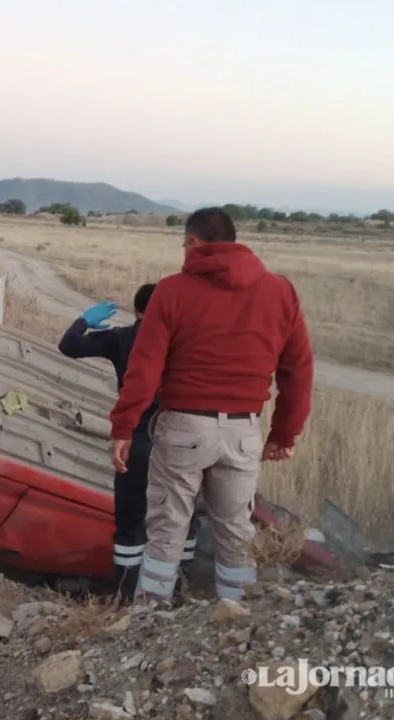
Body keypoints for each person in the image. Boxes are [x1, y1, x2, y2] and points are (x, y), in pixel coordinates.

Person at [108, 207, 314, 603]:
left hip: (184, 428)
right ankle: (234, 621)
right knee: (236, 533)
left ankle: (149, 620)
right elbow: (299, 369)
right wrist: (284, 433)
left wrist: (123, 426)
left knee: (167, 531)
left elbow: (144, 367)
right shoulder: (280, 291)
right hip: (244, 433)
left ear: (194, 242)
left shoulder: (171, 290)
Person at [57, 284, 203, 602]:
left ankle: (126, 594)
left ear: (136, 311)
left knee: (130, 522)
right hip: (179, 439)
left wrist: (83, 320)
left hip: (135, 440)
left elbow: (68, 345)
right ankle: (183, 586)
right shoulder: (186, 342)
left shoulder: (120, 338)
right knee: (185, 514)